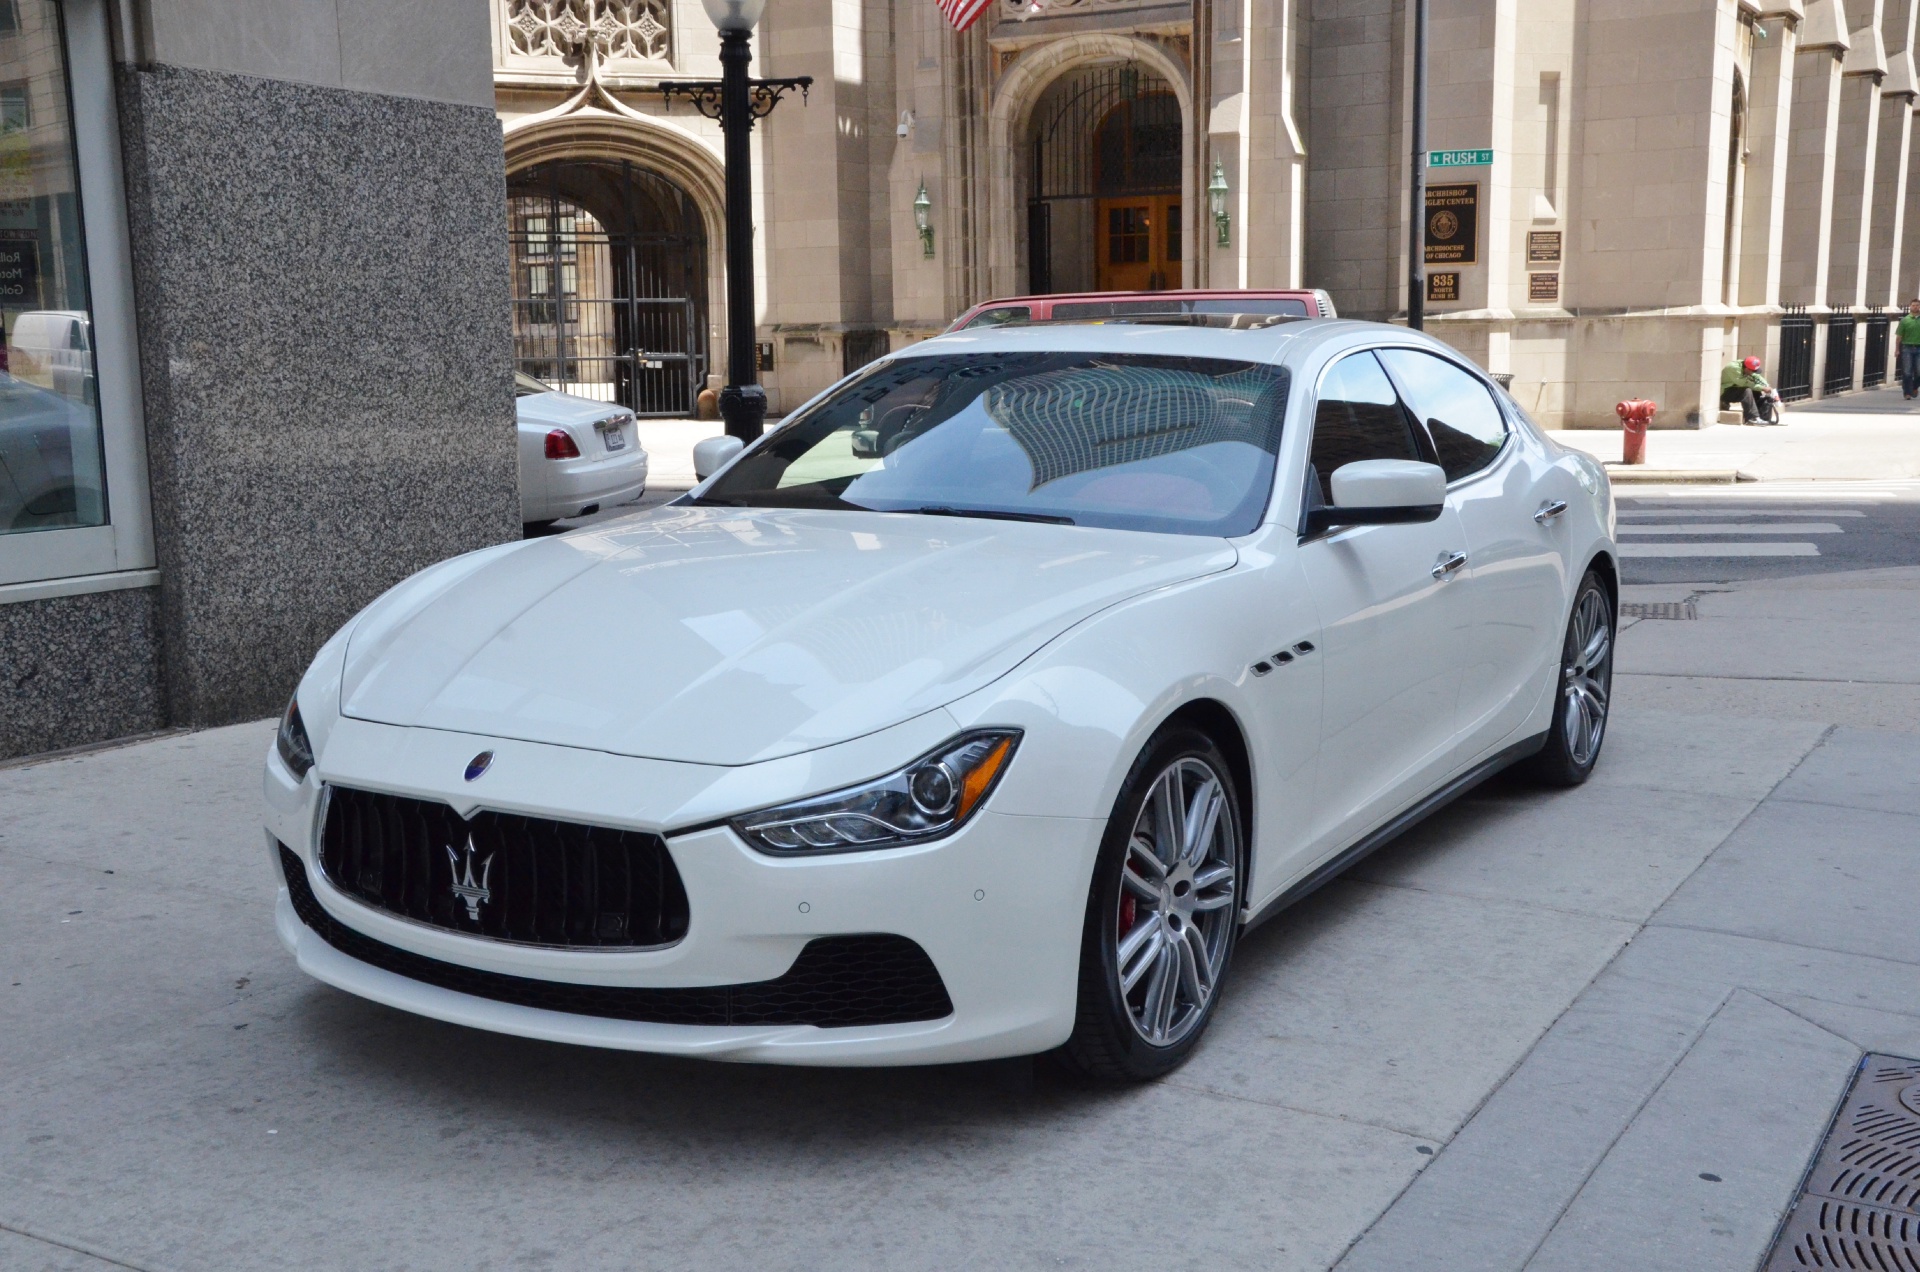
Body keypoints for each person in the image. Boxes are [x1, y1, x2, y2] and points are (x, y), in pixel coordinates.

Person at [1720, 355, 1782, 425]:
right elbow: (1745, 383)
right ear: (1747, 368)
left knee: (1755, 390)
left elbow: (1756, 376)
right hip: (1725, 392)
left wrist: (1766, 385)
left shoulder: (1746, 367)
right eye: (1752, 371)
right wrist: (1763, 388)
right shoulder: (1733, 368)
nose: (1753, 373)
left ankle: (1760, 416)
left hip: (1735, 388)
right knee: (1747, 391)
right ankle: (1752, 418)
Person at [1898, 299, 1920, 399]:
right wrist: (1897, 349)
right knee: (1907, 372)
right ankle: (1907, 393)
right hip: (1907, 348)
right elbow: (1899, 337)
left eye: (1917, 305)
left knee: (1919, 371)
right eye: (1913, 305)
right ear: (1910, 306)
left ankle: (1914, 387)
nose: (1915, 307)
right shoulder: (1905, 320)